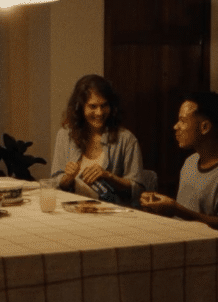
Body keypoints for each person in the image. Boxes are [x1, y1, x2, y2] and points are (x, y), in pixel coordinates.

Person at [140, 91, 218, 234]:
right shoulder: (190, 162)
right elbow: (183, 215)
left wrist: (176, 209)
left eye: (183, 121)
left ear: (205, 127)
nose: (176, 127)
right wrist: (160, 207)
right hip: (180, 235)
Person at [49, 74, 146, 205]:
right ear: (80, 107)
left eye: (104, 105)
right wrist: (68, 178)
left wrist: (109, 176)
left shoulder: (126, 139)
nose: (99, 112)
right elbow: (55, 183)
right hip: (71, 209)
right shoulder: (65, 135)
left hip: (111, 212)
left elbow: (138, 190)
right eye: (93, 106)